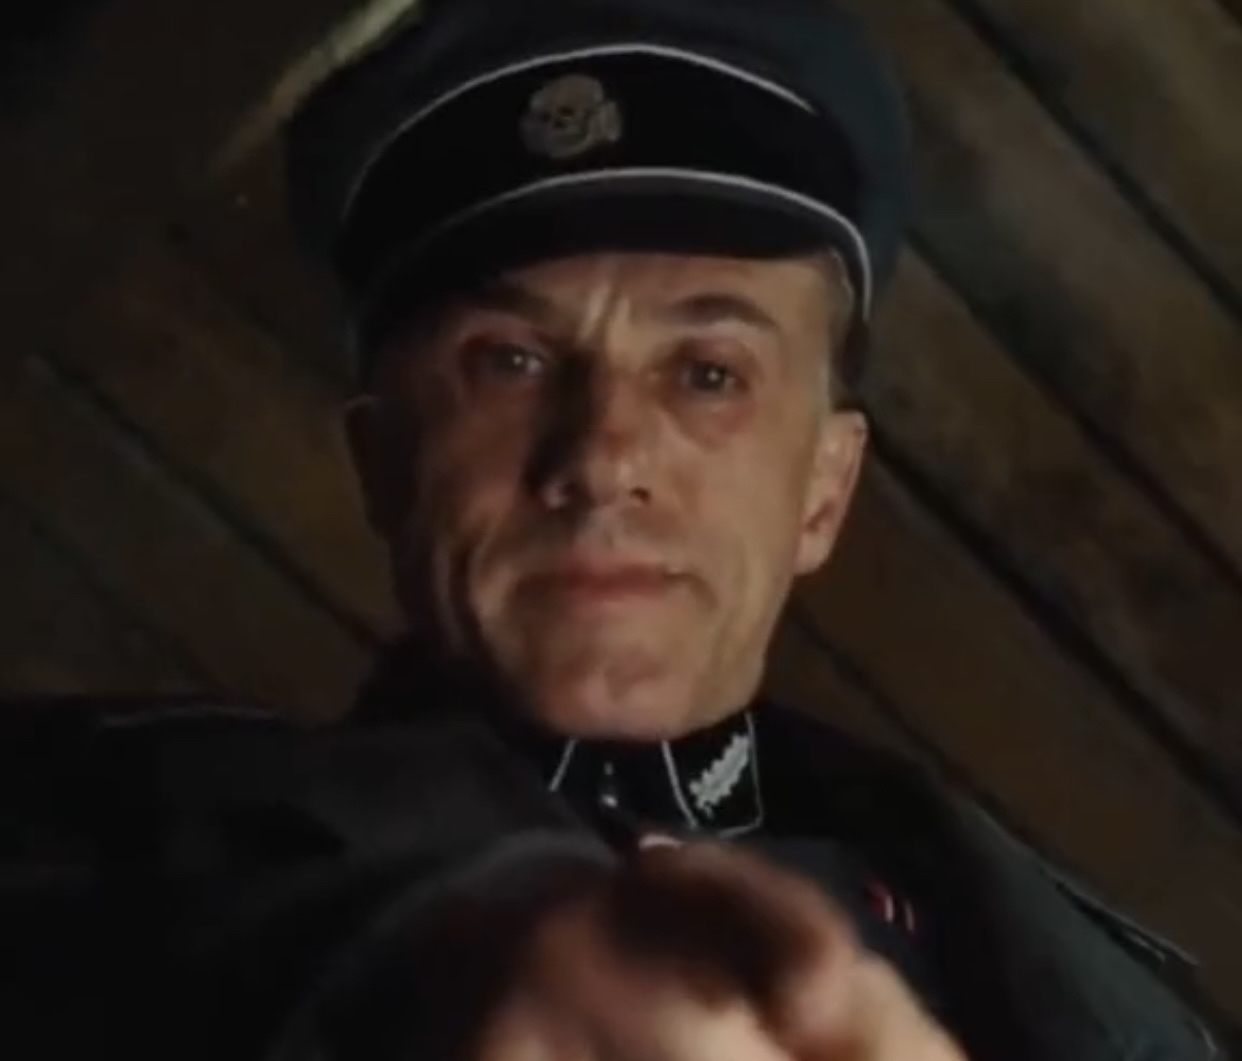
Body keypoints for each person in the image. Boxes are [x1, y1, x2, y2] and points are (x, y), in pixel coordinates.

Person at [3, 0, 1228, 1059]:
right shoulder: (114, 832)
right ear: (383, 463)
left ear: (823, 489)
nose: (603, 458)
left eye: (707, 373)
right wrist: (439, 966)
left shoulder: (1066, 969)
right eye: (512, 360)